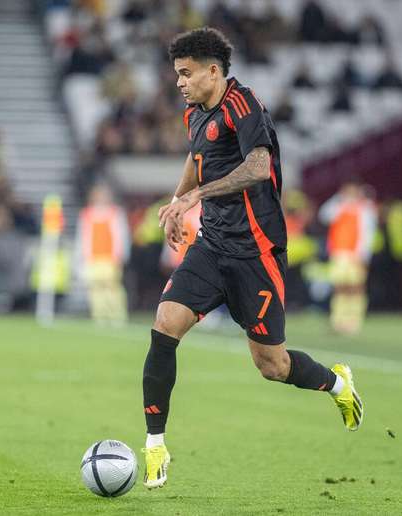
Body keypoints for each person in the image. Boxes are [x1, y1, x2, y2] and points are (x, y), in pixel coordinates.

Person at [141, 27, 363, 489]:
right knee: (165, 324)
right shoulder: (196, 113)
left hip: (255, 253)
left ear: (213, 71)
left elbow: (259, 166)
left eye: (186, 74)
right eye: (176, 74)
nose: (179, 82)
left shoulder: (245, 106)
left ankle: (337, 384)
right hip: (211, 245)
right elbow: (195, 156)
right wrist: (177, 199)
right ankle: (155, 444)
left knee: (272, 366)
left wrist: (195, 195)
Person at [319, 179, 377, 333]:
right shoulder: (338, 207)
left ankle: (354, 320)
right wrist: (338, 197)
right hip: (339, 253)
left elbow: (368, 234)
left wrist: (365, 255)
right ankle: (338, 320)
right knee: (339, 287)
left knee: (355, 288)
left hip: (355, 254)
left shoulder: (365, 209)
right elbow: (324, 215)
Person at [74, 183, 131, 325]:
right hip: (93, 257)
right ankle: (99, 315)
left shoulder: (115, 212)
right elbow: (82, 237)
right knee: (95, 288)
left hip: (110, 257)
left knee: (112, 287)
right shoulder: (86, 214)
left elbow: (121, 235)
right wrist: (81, 256)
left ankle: (117, 315)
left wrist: (121, 254)